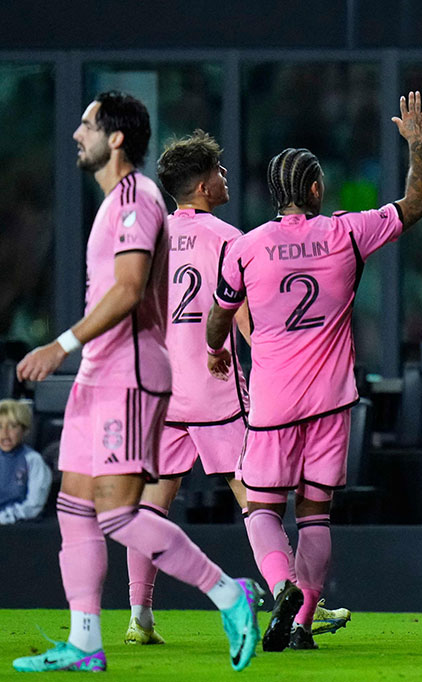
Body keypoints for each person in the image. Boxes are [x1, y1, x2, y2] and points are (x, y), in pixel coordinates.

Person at [13, 91, 259, 673]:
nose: (77, 134)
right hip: (98, 372)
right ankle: (85, 641)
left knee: (121, 512)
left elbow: (127, 291)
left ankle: (230, 593)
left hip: (129, 373)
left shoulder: (139, 199)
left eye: (87, 124)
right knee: (75, 507)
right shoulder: (110, 206)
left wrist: (60, 344)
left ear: (116, 137)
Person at [206, 91, 422, 652]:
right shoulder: (347, 233)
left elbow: (219, 317)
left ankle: (281, 588)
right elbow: (418, 201)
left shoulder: (246, 247)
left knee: (260, 506)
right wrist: (418, 145)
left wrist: (216, 348)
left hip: (274, 400)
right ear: (313, 189)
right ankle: (303, 621)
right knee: (315, 515)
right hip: (333, 400)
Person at [123, 130, 350, 646]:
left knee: (152, 504)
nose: (227, 177)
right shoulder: (229, 238)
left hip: (160, 389)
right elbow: (244, 318)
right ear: (204, 185)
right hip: (215, 388)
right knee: (257, 500)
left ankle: (140, 615)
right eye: (221, 171)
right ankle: (293, 599)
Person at [0, 398, 52, 524]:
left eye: (12, 426)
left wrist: (5, 517)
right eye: (0, 426)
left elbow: (34, 505)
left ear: (25, 430)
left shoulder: (33, 460)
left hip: (16, 527)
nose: (5, 433)